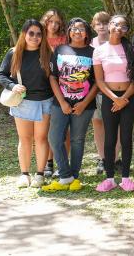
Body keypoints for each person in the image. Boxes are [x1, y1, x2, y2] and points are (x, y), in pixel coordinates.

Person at [42, 18, 97, 192]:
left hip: (84, 105)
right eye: (74, 28)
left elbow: (97, 82)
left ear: (87, 33)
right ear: (69, 32)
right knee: (54, 138)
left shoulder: (93, 53)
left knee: (77, 140)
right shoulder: (60, 49)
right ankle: (65, 175)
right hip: (61, 103)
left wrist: (83, 103)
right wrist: (62, 102)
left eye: (81, 29)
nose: (77, 31)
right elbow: (53, 77)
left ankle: (74, 178)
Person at [0, 19, 53, 188]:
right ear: (24, 34)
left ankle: (40, 174)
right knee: (25, 138)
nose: (35, 37)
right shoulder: (14, 53)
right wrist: (13, 86)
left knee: (41, 138)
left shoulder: (48, 53)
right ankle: (24, 174)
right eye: (31, 33)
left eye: (38, 34)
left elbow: (55, 78)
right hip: (23, 102)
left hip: (45, 101)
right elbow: (2, 75)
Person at [93, 15, 134, 192]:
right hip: (109, 99)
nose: (118, 28)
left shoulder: (131, 49)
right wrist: (115, 98)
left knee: (126, 137)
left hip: (128, 98)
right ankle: (110, 178)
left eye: (123, 26)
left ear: (126, 30)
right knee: (110, 137)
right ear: (109, 25)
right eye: (115, 24)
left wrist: (124, 99)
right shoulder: (99, 50)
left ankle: (126, 178)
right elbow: (99, 80)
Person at [90, 11, 121, 175]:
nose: (101, 26)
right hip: (95, 92)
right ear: (93, 26)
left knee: (116, 125)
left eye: (104, 23)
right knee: (98, 124)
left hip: (114, 91)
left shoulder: (116, 42)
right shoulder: (90, 44)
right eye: (98, 23)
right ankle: (102, 158)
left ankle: (114, 159)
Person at [40, 8, 68, 177]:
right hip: (42, 85)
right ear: (45, 21)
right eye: (51, 21)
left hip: (62, 85)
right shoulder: (38, 38)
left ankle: (62, 162)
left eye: (57, 22)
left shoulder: (64, 40)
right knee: (47, 127)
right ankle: (48, 162)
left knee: (62, 128)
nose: (54, 25)